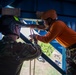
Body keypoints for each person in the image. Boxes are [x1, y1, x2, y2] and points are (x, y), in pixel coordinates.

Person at [29, 9, 76, 75]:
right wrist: (36, 27)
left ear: (49, 20)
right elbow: (46, 29)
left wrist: (36, 36)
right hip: (70, 50)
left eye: (44, 21)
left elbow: (46, 39)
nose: (44, 23)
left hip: (74, 47)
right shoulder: (54, 26)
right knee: (71, 71)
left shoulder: (58, 24)